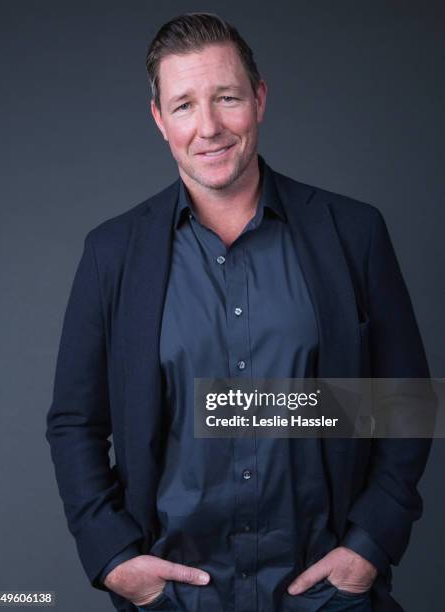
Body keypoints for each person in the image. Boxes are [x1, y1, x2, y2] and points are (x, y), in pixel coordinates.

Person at [46, 12, 434, 612]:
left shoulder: (353, 232)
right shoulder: (112, 253)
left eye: (226, 98)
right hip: (174, 599)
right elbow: (75, 422)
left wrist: (369, 544)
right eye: (183, 106)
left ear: (258, 99)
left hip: (328, 596)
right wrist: (115, 560)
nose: (209, 127)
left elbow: (404, 403)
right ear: (159, 121)